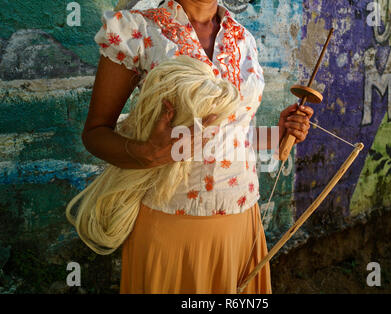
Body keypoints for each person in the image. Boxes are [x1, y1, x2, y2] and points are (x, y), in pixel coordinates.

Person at [83, 0, 313, 294]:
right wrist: (145, 154)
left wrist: (275, 135)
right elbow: (94, 133)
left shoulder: (243, 37)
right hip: (170, 223)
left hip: (240, 219)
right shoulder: (135, 29)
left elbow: (228, 136)